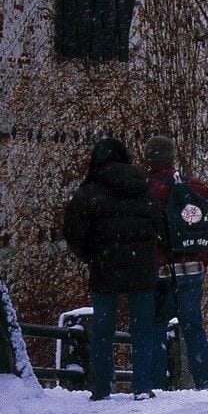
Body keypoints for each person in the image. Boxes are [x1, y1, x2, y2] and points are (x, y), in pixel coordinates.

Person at [63, 137, 164, 400]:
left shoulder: (89, 191)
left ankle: (101, 387)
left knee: (103, 331)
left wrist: (91, 255)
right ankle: (141, 386)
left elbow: (72, 229)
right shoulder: (141, 186)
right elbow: (158, 223)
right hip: (141, 267)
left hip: (105, 266)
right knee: (142, 329)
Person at [144, 135, 208, 391]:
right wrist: (201, 258)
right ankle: (205, 381)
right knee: (193, 326)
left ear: (149, 159)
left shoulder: (147, 189)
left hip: (161, 270)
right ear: (172, 157)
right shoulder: (195, 188)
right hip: (192, 268)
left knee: (156, 326)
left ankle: (157, 384)